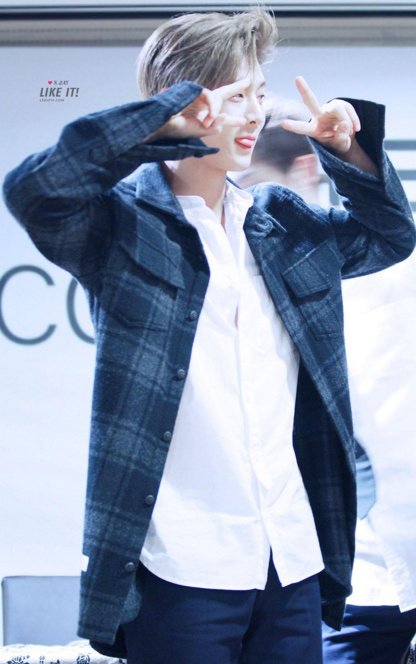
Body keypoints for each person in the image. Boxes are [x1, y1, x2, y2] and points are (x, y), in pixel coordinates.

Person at [2, 9, 415, 664]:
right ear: (183, 104)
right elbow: (35, 190)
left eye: (258, 94)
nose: (254, 114)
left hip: (290, 557)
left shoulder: (281, 223)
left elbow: (389, 236)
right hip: (179, 565)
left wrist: (348, 153)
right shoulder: (125, 223)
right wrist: (160, 120)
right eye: (234, 96)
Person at [236, 103, 416, 663]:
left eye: (257, 188)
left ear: (307, 169)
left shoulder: (394, 262)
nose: (250, 210)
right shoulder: (249, 279)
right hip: (349, 570)